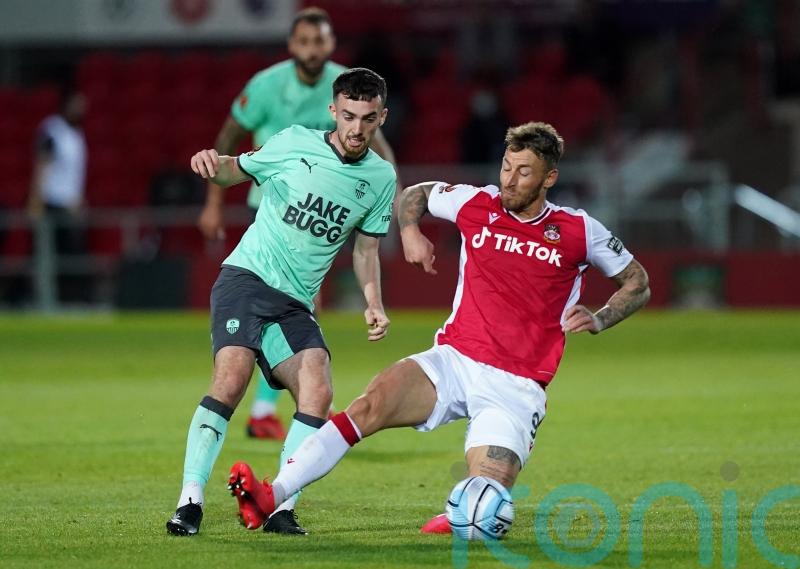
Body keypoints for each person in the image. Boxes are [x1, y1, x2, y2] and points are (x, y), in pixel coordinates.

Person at [226, 121, 651, 535]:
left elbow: (637, 282)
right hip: (453, 360)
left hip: (516, 387)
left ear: (549, 178)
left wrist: (601, 317)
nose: (510, 180)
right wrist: (410, 230)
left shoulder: (579, 230)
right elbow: (416, 193)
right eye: (506, 166)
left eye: (524, 172)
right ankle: (271, 496)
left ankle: (464, 513)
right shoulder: (476, 203)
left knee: (487, 496)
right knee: (367, 407)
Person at [166, 68, 397, 537]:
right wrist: (214, 162)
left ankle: (280, 506)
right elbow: (238, 169)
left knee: (319, 390)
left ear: (381, 118)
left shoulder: (380, 178)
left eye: (367, 119)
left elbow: (366, 249)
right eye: (348, 116)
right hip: (246, 278)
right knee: (231, 379)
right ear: (333, 111)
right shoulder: (295, 142)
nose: (356, 129)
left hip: (294, 303)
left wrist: (373, 302)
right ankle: (189, 501)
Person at [197, 6, 399, 442]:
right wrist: (214, 199)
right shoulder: (267, 86)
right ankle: (272, 399)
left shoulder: (350, 85)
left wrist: (389, 196)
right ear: (292, 46)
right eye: (304, 42)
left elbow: (379, 150)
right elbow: (229, 140)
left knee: (304, 303)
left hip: (327, 206)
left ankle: (271, 405)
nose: (312, 50)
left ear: (330, 44)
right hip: (271, 202)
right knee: (290, 301)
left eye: (319, 41)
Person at [27, 90, 89, 302]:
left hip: (70, 204)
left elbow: (74, 172)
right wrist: (35, 200)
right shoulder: (52, 129)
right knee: (48, 256)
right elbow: (42, 164)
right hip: (51, 202)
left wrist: (79, 198)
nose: (82, 108)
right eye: (78, 103)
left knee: (71, 257)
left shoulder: (76, 133)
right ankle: (43, 300)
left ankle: (69, 300)